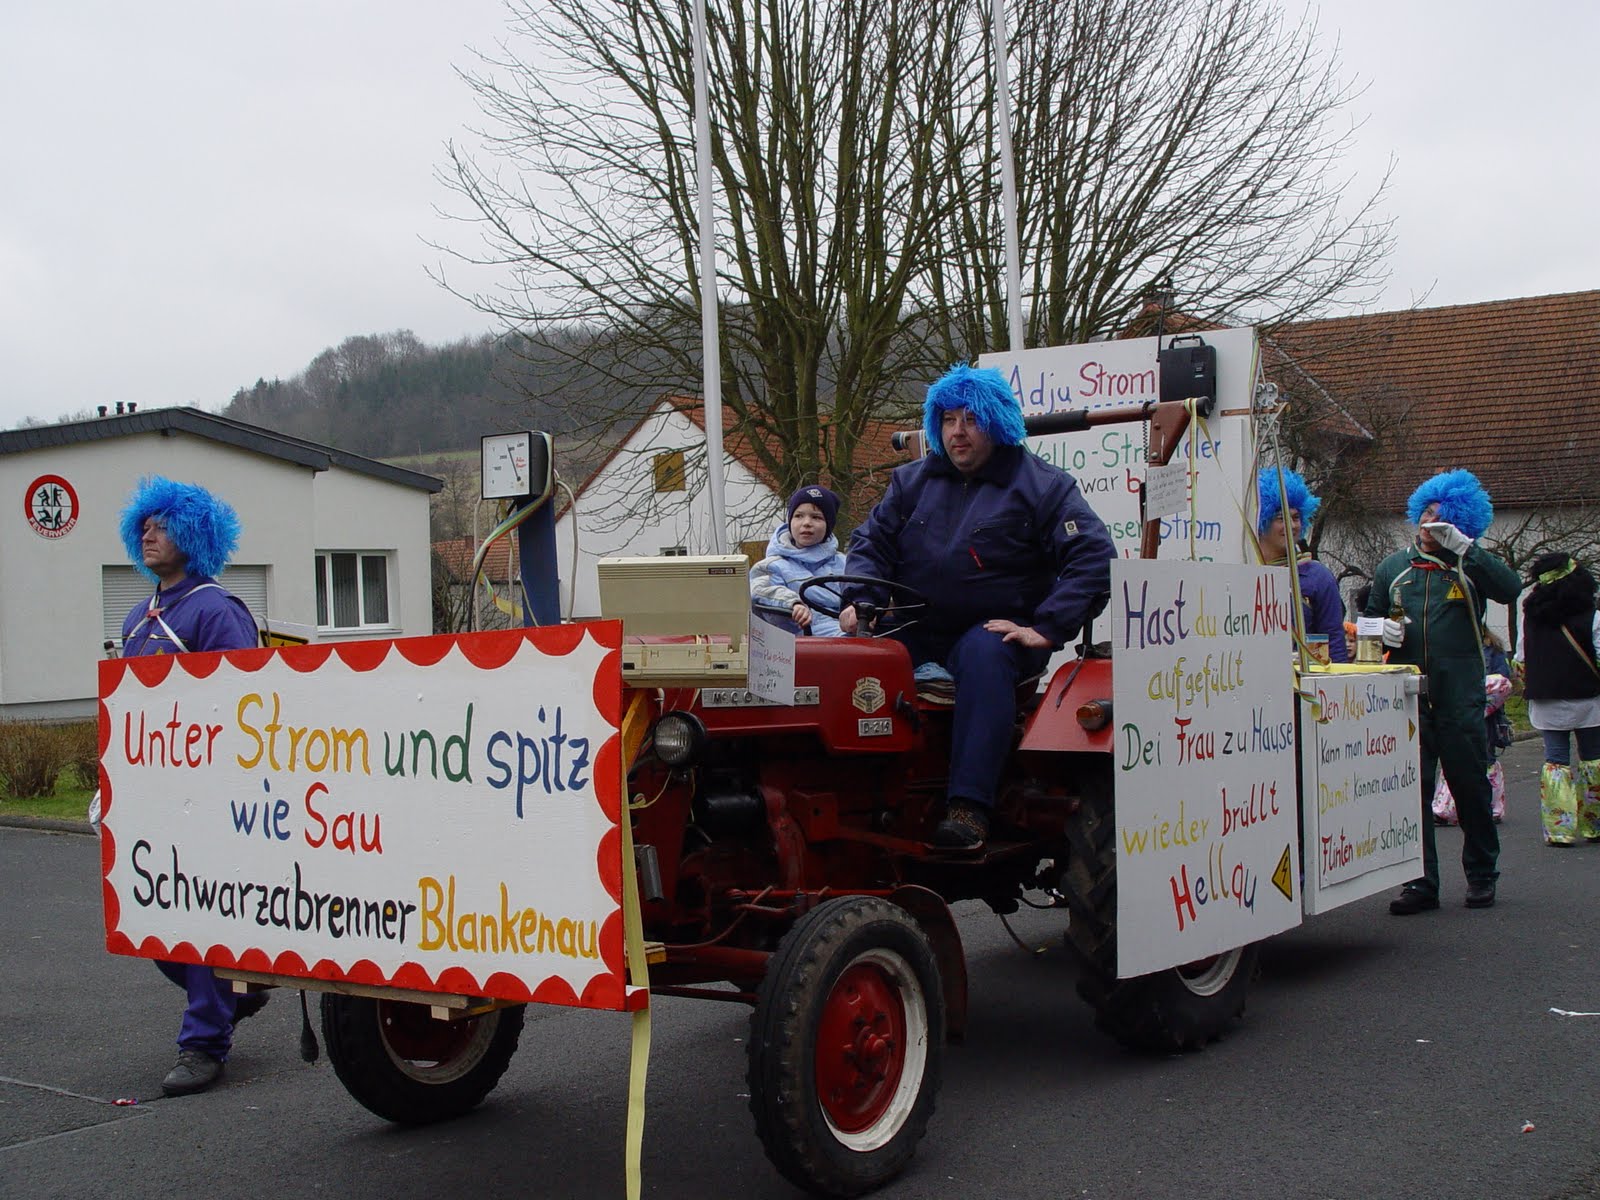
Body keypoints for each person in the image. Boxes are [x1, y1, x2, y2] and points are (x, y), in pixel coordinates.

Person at [840, 363, 1115, 848]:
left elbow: (1093, 557)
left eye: (971, 419)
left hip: (994, 630)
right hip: (917, 624)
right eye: (948, 420)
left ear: (997, 421)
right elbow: (871, 544)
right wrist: (860, 602)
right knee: (849, 659)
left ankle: (969, 809)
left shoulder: (1044, 487)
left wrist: (1047, 627)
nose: (958, 432)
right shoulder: (911, 483)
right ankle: (855, 797)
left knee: (984, 655)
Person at [118, 476, 266, 1095]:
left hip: (209, 797)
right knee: (158, 919)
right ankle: (238, 990)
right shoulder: (137, 617)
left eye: (163, 523)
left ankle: (204, 1041)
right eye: (144, 524)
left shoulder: (216, 609)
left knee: (202, 916)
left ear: (194, 531)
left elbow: (247, 705)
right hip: (153, 797)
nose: (149, 532)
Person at [1367, 469, 1521, 913]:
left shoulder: (1468, 566)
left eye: (1441, 517)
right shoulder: (1393, 567)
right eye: (1426, 514)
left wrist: (1467, 550)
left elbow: (1510, 589)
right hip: (1408, 696)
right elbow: (1370, 619)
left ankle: (1482, 875)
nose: (1429, 523)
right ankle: (1420, 883)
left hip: (1459, 694)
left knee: (1470, 787)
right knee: (1411, 791)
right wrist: (1380, 631)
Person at [1515, 553, 1600, 846]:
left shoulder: (1530, 617)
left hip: (1546, 699)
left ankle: (1559, 829)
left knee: (1555, 761)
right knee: (1593, 759)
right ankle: (1595, 824)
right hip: (1589, 700)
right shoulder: (1593, 616)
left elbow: (1521, 659)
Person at [1256, 466, 1347, 662]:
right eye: (1281, 518)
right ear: (1261, 521)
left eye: (1296, 517)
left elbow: (1335, 646)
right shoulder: (1242, 572)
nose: (1292, 525)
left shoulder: (1318, 577)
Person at [749, 485, 847, 637]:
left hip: (846, 629)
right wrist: (793, 604)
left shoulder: (845, 563)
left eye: (816, 517)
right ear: (790, 521)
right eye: (799, 516)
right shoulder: (772, 566)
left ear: (829, 525)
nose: (806, 522)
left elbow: (862, 594)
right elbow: (759, 591)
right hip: (798, 635)